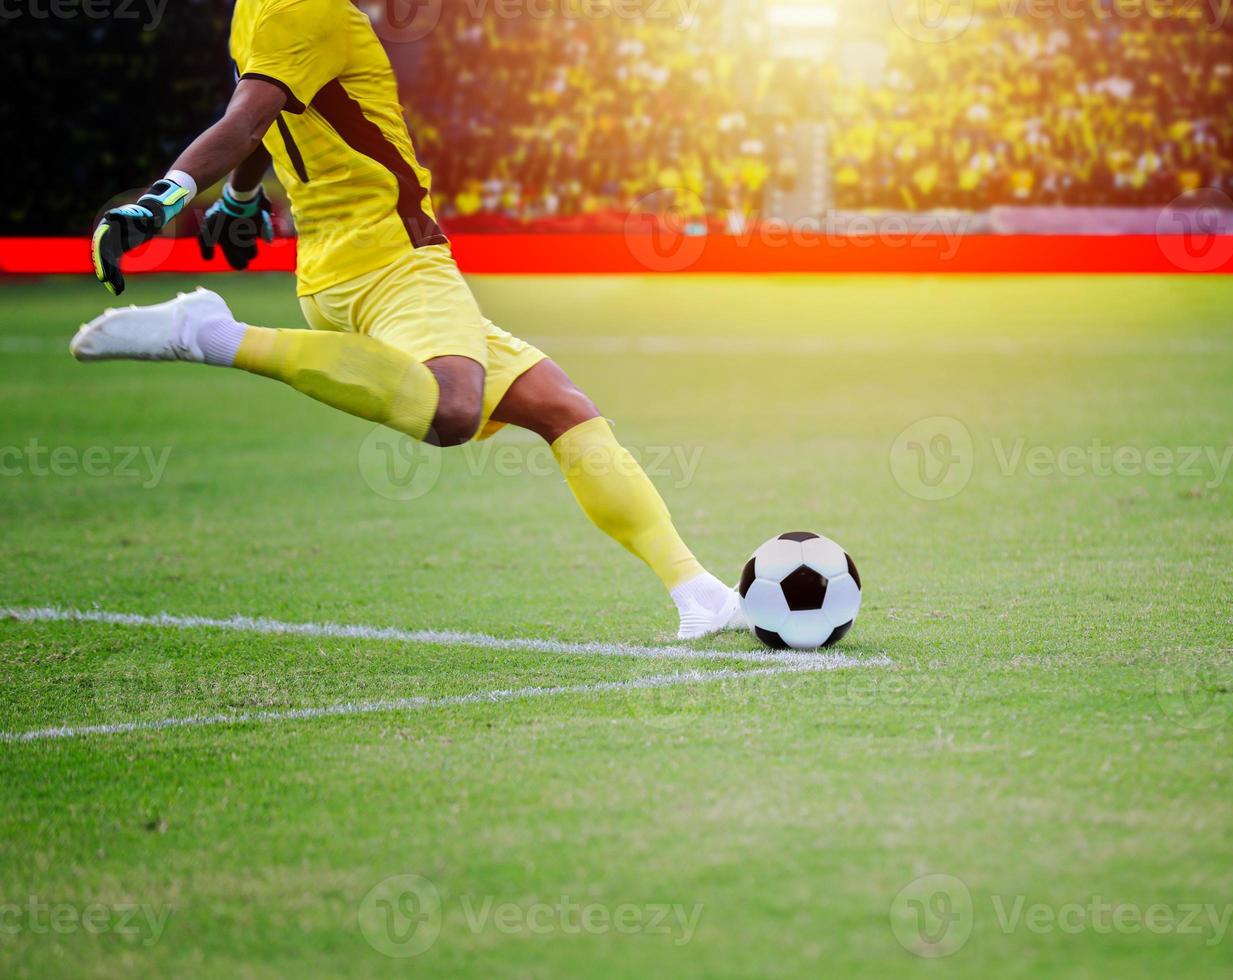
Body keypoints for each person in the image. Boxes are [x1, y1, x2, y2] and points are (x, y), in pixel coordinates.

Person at [73, 0, 743, 640]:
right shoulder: (309, 9)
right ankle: (211, 333)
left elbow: (264, 113)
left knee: (559, 407)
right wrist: (163, 199)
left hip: (339, 265)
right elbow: (249, 118)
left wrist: (244, 197)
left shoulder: (259, 11)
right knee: (454, 410)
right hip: (393, 258)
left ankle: (699, 595)